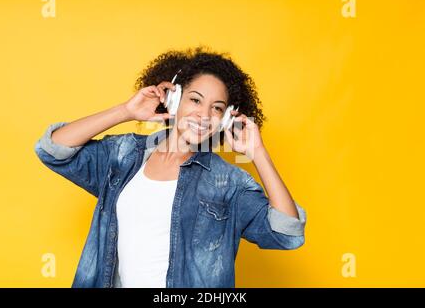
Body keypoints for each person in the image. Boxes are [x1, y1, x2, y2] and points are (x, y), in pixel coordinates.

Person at [34, 46, 307, 288]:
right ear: (174, 99)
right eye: (195, 100)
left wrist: (258, 153)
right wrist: (125, 112)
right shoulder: (124, 154)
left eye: (216, 108)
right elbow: (53, 150)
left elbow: (287, 233)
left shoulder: (228, 182)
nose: (203, 115)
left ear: (225, 119)